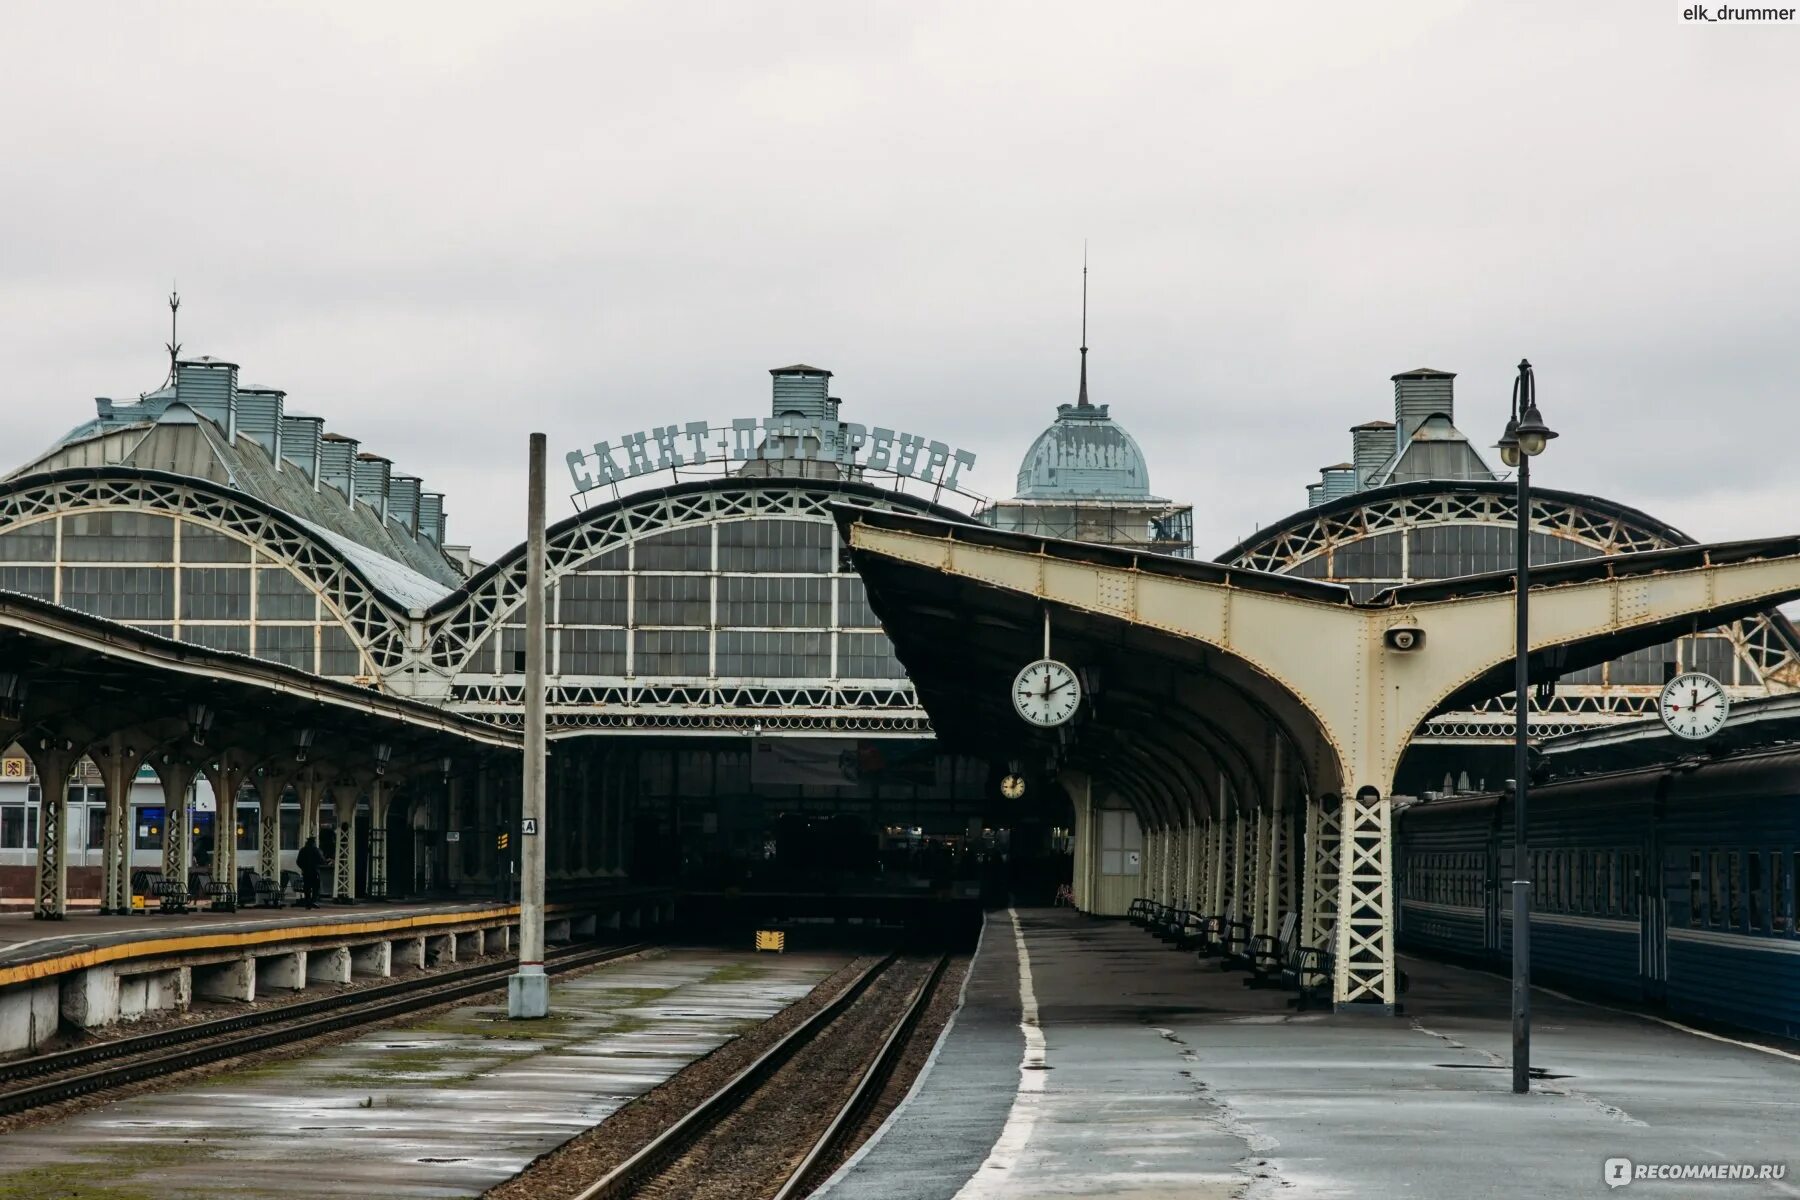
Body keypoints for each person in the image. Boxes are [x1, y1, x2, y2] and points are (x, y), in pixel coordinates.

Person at [296, 837, 325, 909]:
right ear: (314, 843)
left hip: (306, 872)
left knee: (307, 888)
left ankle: (308, 902)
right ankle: (313, 901)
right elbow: (322, 860)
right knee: (316, 887)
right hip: (315, 872)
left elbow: (298, 861)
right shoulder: (316, 850)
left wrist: (303, 867)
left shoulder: (302, 850)